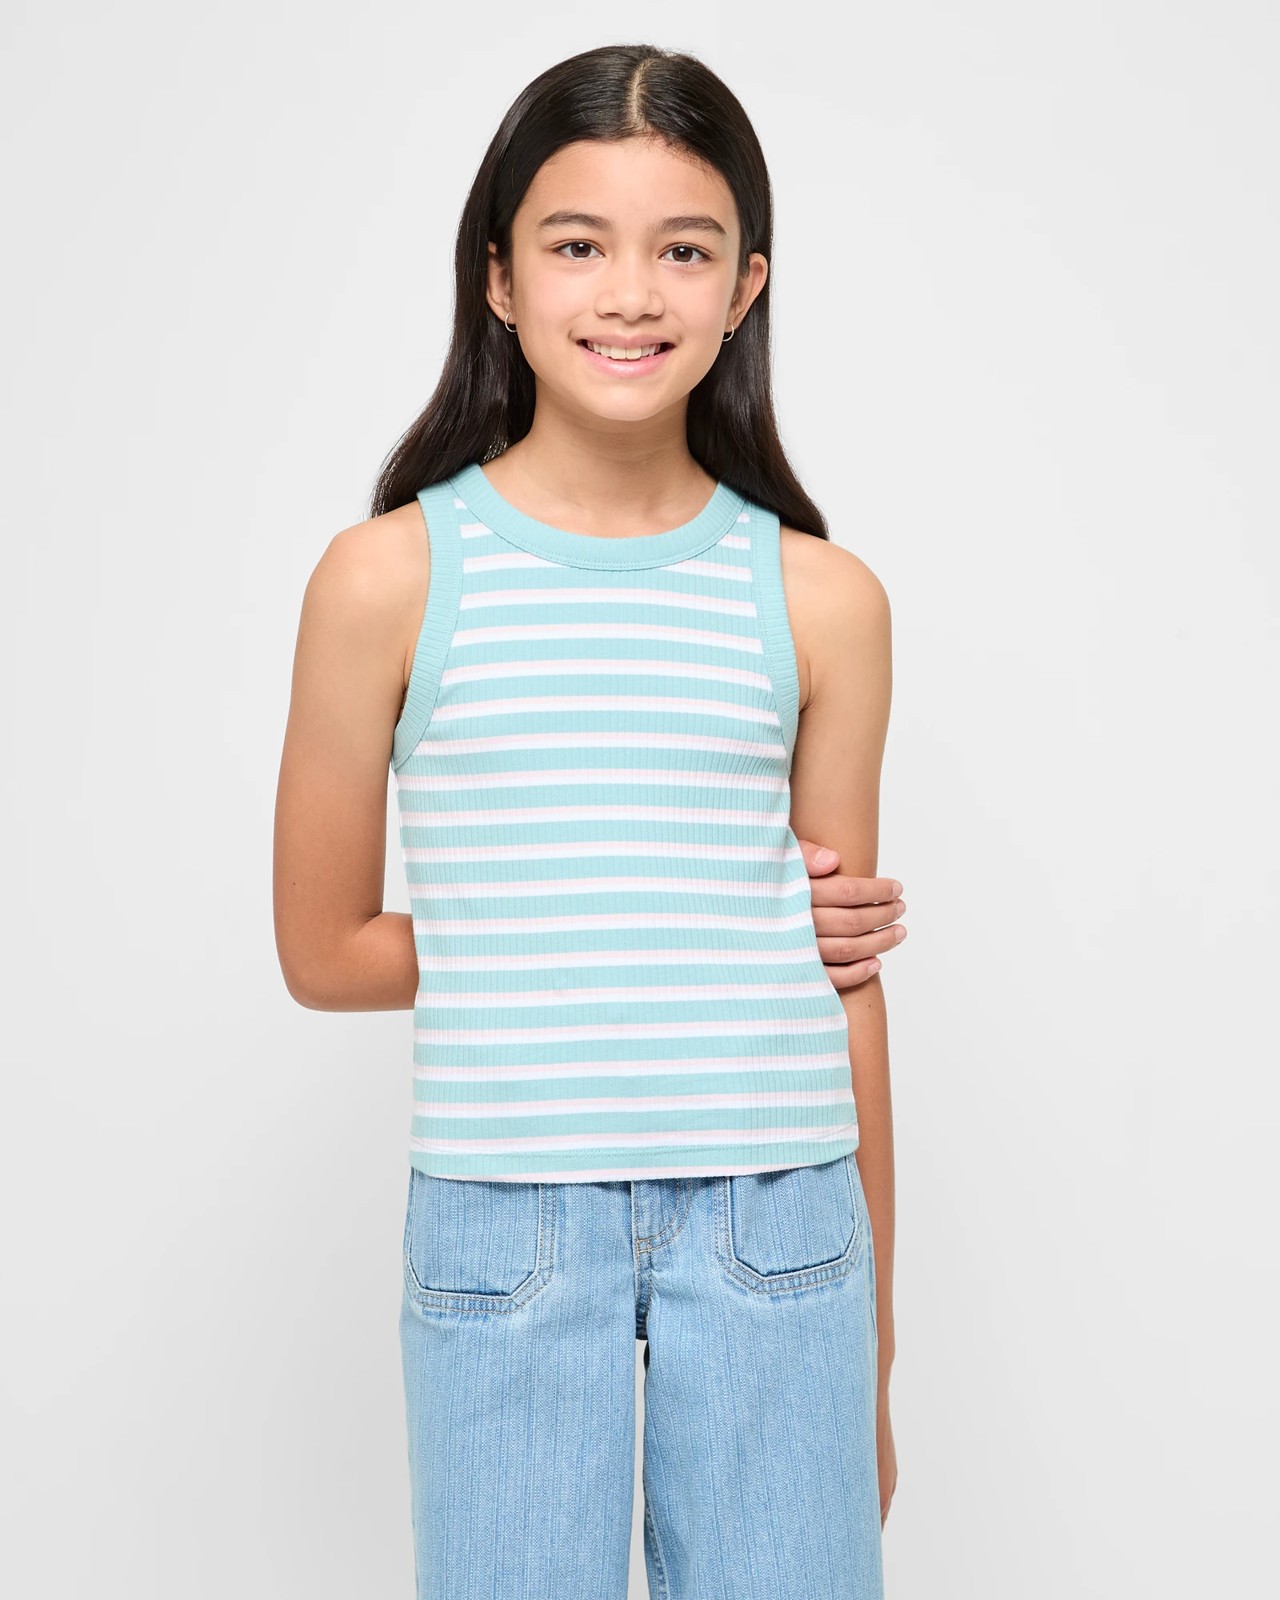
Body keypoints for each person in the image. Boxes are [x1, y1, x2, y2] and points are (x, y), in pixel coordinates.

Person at [273, 42, 902, 1600]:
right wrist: (615, 933)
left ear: (745, 287)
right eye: (577, 244)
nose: (631, 294)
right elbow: (323, 951)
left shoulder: (822, 599)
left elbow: (838, 976)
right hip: (504, 1223)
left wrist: (878, 1351)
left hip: (779, 1225)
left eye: (683, 250)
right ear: (497, 277)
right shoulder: (388, 579)